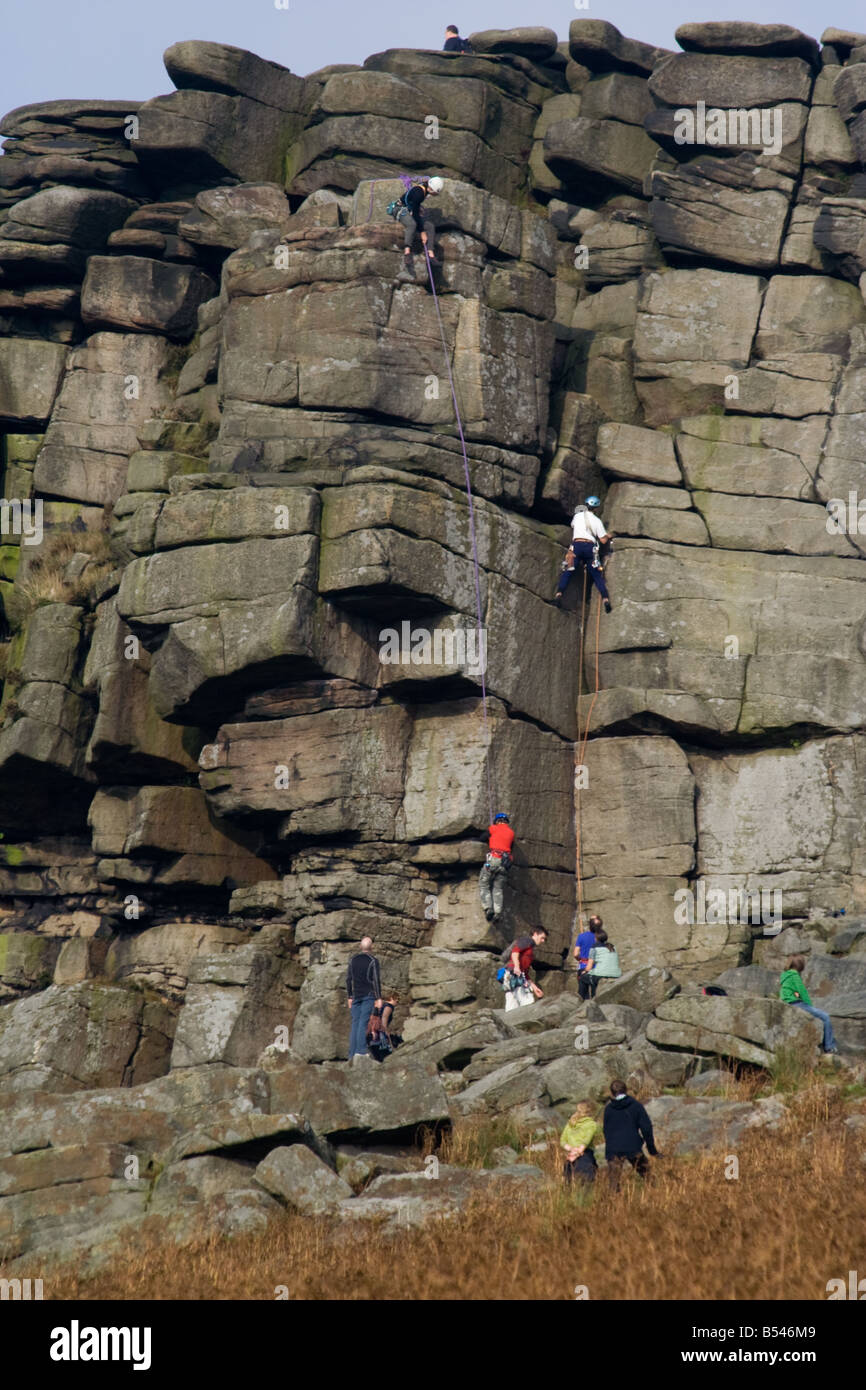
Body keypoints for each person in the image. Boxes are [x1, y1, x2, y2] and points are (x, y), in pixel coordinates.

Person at [554, 497, 612, 612]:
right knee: (596, 575)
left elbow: (573, 526)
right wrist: (610, 535)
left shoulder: (577, 516)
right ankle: (605, 599)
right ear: (596, 508)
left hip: (576, 546)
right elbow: (603, 540)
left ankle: (559, 594)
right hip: (590, 548)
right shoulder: (597, 521)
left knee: (568, 570)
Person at [603, 1078, 659, 1186]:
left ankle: (614, 1201)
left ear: (612, 1092)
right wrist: (652, 1149)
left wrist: (610, 1143)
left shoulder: (609, 1109)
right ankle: (656, 1196)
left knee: (614, 1183)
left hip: (613, 1148)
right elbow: (646, 1128)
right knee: (648, 1176)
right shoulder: (636, 1106)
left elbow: (605, 1130)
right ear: (626, 1090)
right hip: (632, 1146)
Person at [779, 955, 839, 1054]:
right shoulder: (795, 976)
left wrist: (794, 994)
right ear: (801, 967)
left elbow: (784, 993)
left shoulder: (785, 976)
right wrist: (810, 1006)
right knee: (825, 1017)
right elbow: (803, 992)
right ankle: (829, 1047)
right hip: (797, 1003)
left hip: (789, 1003)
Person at [346, 936, 383, 1063]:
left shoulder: (353, 960)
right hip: (368, 995)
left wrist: (349, 996)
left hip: (356, 996)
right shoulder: (373, 961)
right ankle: (361, 1052)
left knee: (355, 1023)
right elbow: (376, 981)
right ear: (371, 947)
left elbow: (348, 979)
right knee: (363, 1023)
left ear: (361, 947)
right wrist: (378, 998)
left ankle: (351, 1054)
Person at [396, 176, 443, 266]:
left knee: (430, 226)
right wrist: (422, 232)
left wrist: (416, 209)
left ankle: (430, 254)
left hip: (408, 209)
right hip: (399, 209)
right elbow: (416, 215)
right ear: (433, 190)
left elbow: (415, 207)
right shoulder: (419, 193)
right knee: (412, 224)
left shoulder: (424, 190)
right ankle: (407, 252)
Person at [479, 812, 515, 922]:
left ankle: (488, 908)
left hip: (493, 860)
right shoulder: (511, 833)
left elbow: (482, 838)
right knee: (498, 888)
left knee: (484, 883)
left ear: (497, 821)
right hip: (505, 863)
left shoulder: (493, 828)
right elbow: (510, 846)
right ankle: (497, 913)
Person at [503, 927, 547, 1010]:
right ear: (535, 934)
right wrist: (516, 966)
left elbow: (525, 973)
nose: (543, 941)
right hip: (514, 973)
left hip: (514, 974)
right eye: (542, 938)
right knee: (527, 1000)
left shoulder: (530, 949)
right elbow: (515, 952)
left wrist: (535, 988)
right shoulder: (527, 941)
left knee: (512, 1001)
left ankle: (510, 1020)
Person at [560, 1099, 602, 1184]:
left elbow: (562, 1141)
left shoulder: (571, 1123)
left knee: (567, 1182)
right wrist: (579, 1151)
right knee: (587, 1182)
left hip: (570, 1156)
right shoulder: (592, 1124)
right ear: (591, 1111)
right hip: (585, 1154)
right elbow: (586, 1140)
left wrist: (572, 1149)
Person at [585, 929, 622, 998]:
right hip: (616, 973)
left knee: (583, 978)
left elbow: (589, 967)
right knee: (594, 975)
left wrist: (584, 971)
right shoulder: (612, 947)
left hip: (601, 974)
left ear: (596, 938)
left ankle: (584, 999)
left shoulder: (594, 948)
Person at [573, 913, 600, 1001]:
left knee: (582, 994)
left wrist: (580, 959)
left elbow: (575, 954)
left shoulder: (582, 936)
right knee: (595, 993)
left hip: (583, 967)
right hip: (596, 969)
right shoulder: (600, 937)